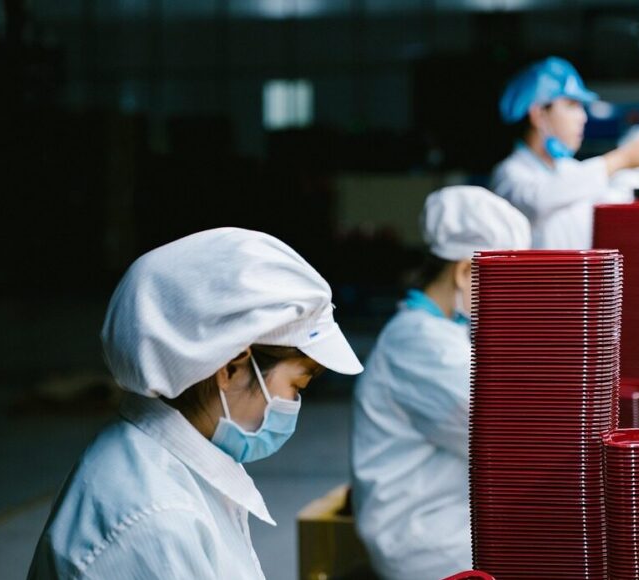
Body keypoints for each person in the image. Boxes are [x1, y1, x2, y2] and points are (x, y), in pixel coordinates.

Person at [28, 228, 364, 579]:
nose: (294, 403)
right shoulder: (156, 522)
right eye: (297, 385)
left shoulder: (163, 469)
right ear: (231, 368)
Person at [352, 186, 532, 579]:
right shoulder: (423, 345)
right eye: (508, 282)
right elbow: (507, 441)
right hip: (430, 543)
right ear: (466, 272)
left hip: (450, 519)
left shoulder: (439, 334)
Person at [490, 56, 639, 250]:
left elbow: (617, 195)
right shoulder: (509, 175)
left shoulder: (570, 170)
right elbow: (540, 199)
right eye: (572, 105)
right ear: (538, 114)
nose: (583, 117)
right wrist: (622, 158)